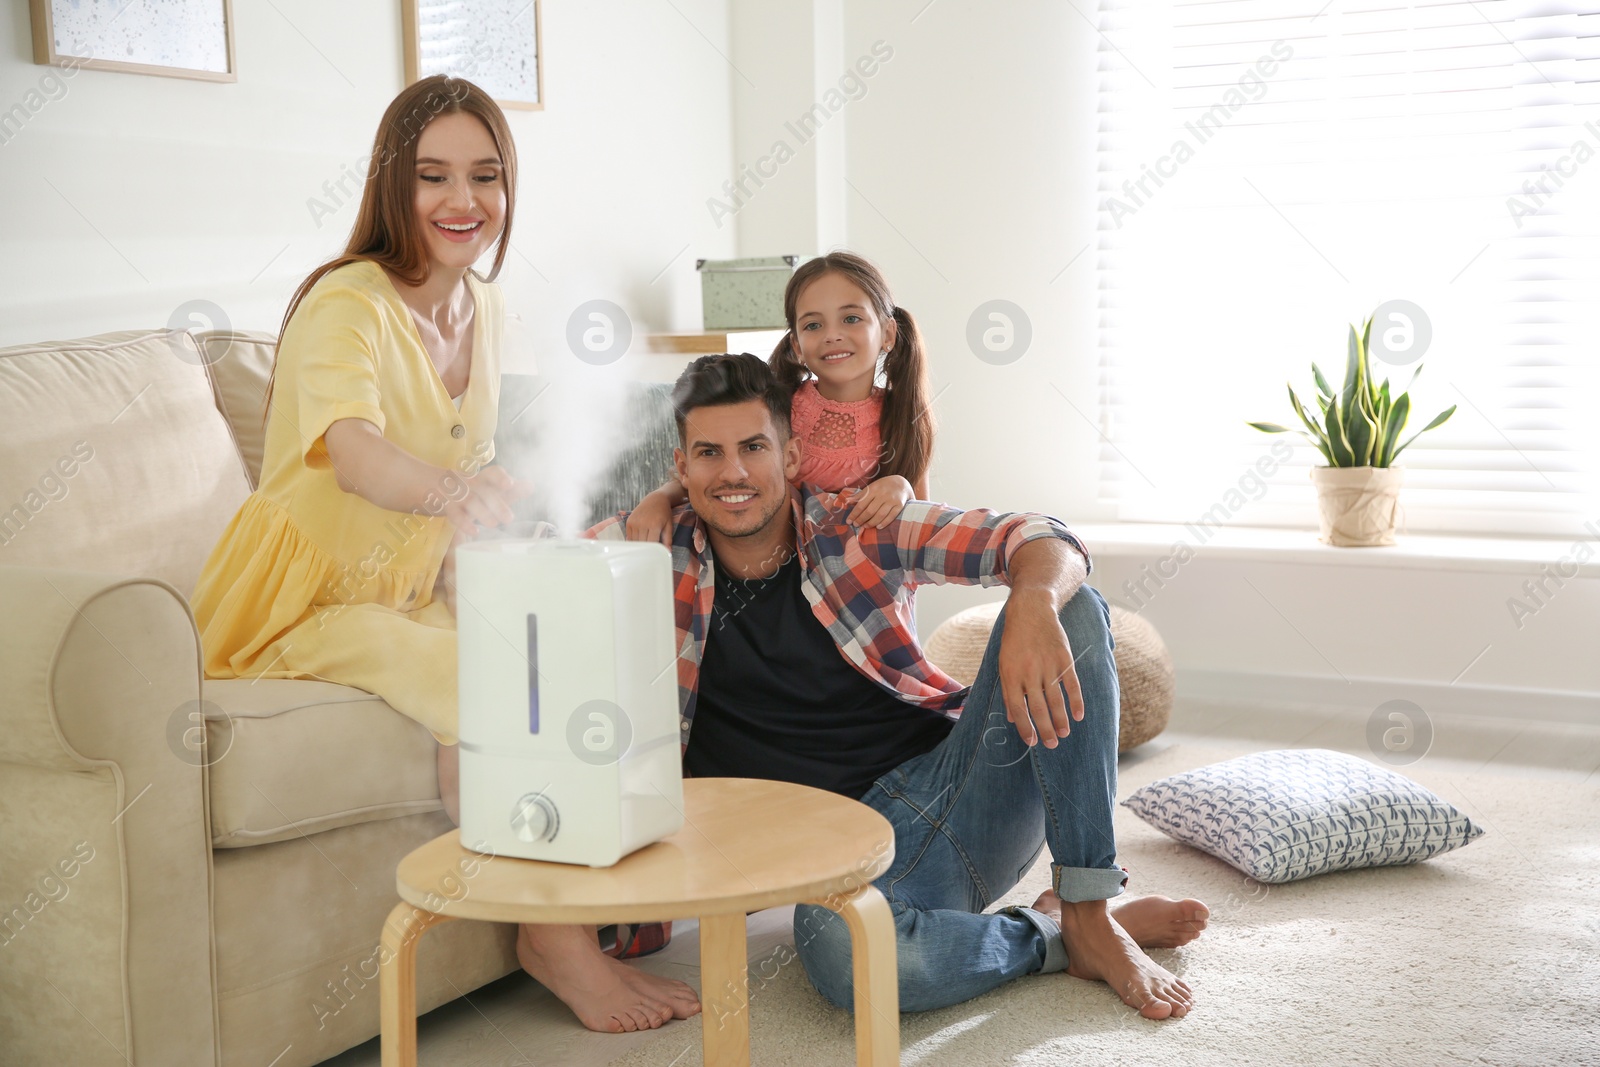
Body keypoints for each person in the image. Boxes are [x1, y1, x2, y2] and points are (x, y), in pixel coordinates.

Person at [189, 76, 701, 1034]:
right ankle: (553, 940)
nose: (462, 201)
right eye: (433, 176)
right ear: (394, 184)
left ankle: (602, 896)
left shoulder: (487, 308)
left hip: (407, 582)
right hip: (302, 599)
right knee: (488, 682)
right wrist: (451, 491)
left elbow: (468, 473)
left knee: (568, 644)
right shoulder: (348, 304)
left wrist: (496, 532)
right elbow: (353, 451)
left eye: (485, 175)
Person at [580, 352, 1207, 1019]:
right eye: (709, 452)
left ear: (791, 457)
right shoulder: (650, 546)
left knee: (1074, 607)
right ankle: (1054, 934)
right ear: (681, 469)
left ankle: (1088, 906)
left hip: (958, 790)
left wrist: (1032, 599)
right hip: (858, 860)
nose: (733, 472)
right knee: (838, 945)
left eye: (753, 447)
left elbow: (1042, 536)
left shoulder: (857, 526)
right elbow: (530, 568)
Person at [624, 251, 933, 540]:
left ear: (888, 334)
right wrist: (659, 498)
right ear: (797, 346)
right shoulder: (780, 407)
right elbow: (720, 472)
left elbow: (923, 536)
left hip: (864, 581)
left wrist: (902, 488)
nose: (832, 335)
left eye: (851, 318)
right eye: (813, 324)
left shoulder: (904, 417)